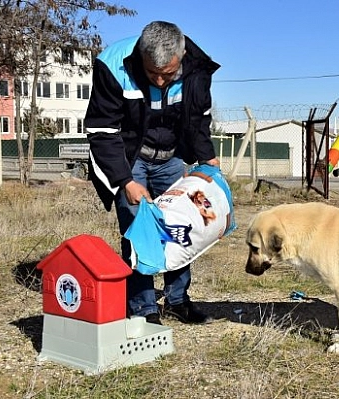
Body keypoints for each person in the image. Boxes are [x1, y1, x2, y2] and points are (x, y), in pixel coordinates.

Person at [84, 21, 220, 325]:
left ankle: (177, 300)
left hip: (172, 158)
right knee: (139, 231)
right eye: (151, 73)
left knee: (179, 228)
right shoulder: (112, 65)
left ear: (182, 57)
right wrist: (125, 181)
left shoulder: (197, 68)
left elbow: (198, 119)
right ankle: (144, 308)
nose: (160, 80)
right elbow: (102, 131)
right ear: (140, 58)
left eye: (168, 74)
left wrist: (207, 158)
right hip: (131, 160)